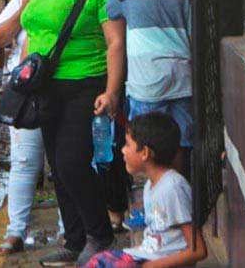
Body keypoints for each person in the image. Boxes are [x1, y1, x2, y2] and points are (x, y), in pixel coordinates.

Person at [20, 0, 124, 266]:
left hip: (84, 84)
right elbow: (32, 32)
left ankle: (100, 233)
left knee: (72, 162)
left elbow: (115, 43)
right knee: (57, 167)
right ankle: (75, 239)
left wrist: (111, 91)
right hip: (46, 86)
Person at [106, 0, 192, 177]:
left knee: (149, 143)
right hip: (183, 73)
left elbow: (113, 13)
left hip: (147, 79)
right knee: (182, 140)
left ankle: (159, 201)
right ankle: (182, 194)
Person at [0, 0, 58, 256]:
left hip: (63, 91)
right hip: (26, 96)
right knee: (23, 164)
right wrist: (23, 13)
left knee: (65, 165)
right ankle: (15, 230)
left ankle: (67, 230)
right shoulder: (21, 0)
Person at [82, 113, 207, 268]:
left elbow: (198, 250)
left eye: (127, 145)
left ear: (145, 153)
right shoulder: (150, 186)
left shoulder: (173, 188)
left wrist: (149, 266)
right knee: (97, 261)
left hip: (158, 263)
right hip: (146, 257)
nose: (123, 150)